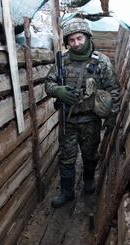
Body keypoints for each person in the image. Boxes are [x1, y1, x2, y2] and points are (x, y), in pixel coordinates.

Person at [45, 17, 120, 208]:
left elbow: (114, 90)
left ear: (86, 36)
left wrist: (111, 117)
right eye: (71, 40)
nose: (76, 43)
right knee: (66, 157)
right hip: (68, 120)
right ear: (67, 42)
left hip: (91, 120)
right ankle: (67, 192)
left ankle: (88, 181)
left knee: (90, 155)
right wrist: (57, 90)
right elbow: (49, 83)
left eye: (79, 38)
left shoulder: (101, 62)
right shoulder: (62, 61)